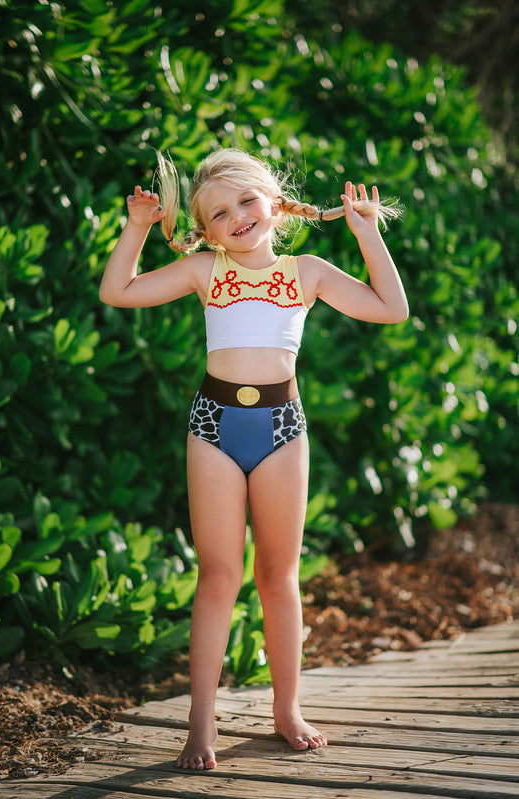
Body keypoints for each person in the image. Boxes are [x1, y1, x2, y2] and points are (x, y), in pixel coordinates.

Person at [99, 147, 409, 771]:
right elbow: (117, 291)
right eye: (219, 213)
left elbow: (391, 309)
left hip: (282, 429)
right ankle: (201, 721)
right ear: (206, 231)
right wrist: (136, 228)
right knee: (218, 576)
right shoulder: (205, 270)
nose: (237, 217)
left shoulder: (307, 272)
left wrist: (368, 235)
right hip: (213, 425)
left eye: (246, 201)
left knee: (278, 576)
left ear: (274, 202)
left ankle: (287, 709)